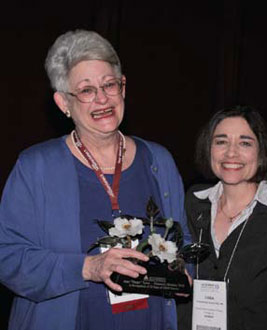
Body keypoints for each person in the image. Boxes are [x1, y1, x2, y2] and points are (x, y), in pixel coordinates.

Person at [0, 29, 191, 330]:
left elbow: (183, 241)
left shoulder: (159, 161)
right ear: (64, 103)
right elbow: (8, 257)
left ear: (123, 87)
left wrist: (183, 271)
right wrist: (87, 267)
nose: (102, 98)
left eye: (109, 85)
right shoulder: (35, 167)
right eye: (86, 90)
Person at [180, 105, 267, 330]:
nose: (231, 153)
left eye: (245, 143)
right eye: (221, 141)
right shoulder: (191, 204)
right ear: (209, 148)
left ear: (262, 153)